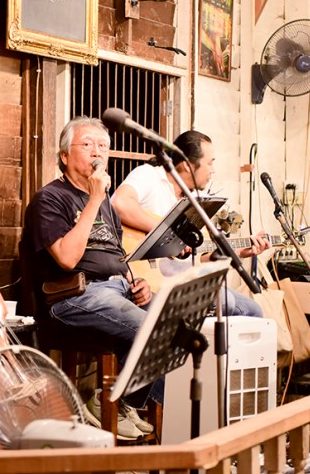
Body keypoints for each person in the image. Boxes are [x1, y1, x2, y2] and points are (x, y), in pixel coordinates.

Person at [22, 116, 159, 440]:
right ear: (65, 156)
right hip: (71, 297)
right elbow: (68, 259)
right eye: (87, 144)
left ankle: (123, 402)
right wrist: (96, 198)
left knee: (174, 325)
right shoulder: (50, 199)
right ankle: (114, 401)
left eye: (103, 146)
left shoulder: (106, 207)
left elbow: (115, 255)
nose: (97, 152)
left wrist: (135, 283)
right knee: (150, 329)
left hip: (115, 290)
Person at [111, 130, 268, 317]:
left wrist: (238, 252)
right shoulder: (150, 176)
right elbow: (119, 204)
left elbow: (194, 257)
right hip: (144, 281)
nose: (213, 170)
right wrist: (170, 233)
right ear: (187, 165)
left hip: (177, 278)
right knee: (225, 301)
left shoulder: (195, 200)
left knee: (253, 310)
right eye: (209, 163)